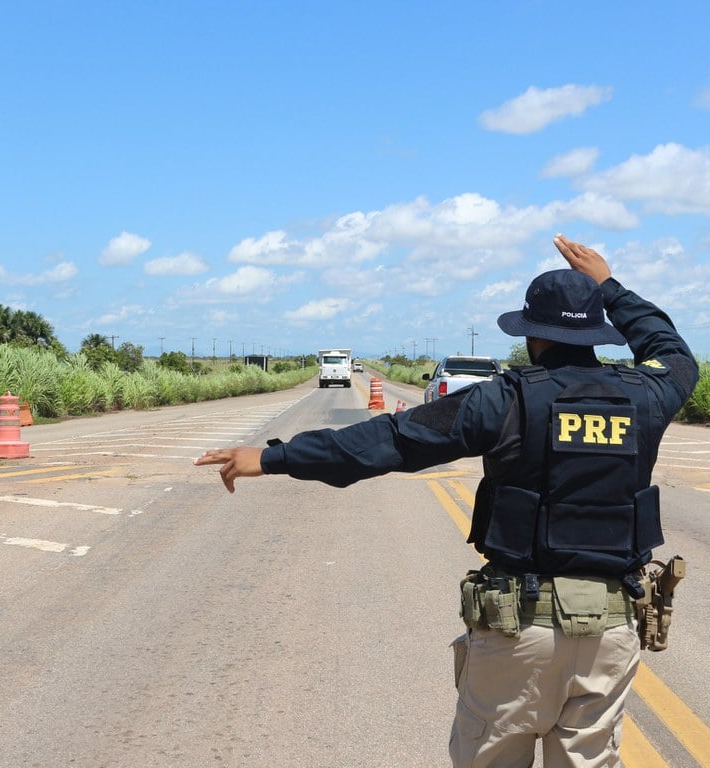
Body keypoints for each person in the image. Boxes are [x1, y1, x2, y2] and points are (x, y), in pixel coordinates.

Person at [194, 234, 699, 767]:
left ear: (531, 335)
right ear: (598, 332)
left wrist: (274, 457)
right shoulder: (647, 394)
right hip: (612, 632)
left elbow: (387, 441)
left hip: (520, 630)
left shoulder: (505, 399)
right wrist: (610, 285)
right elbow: (671, 350)